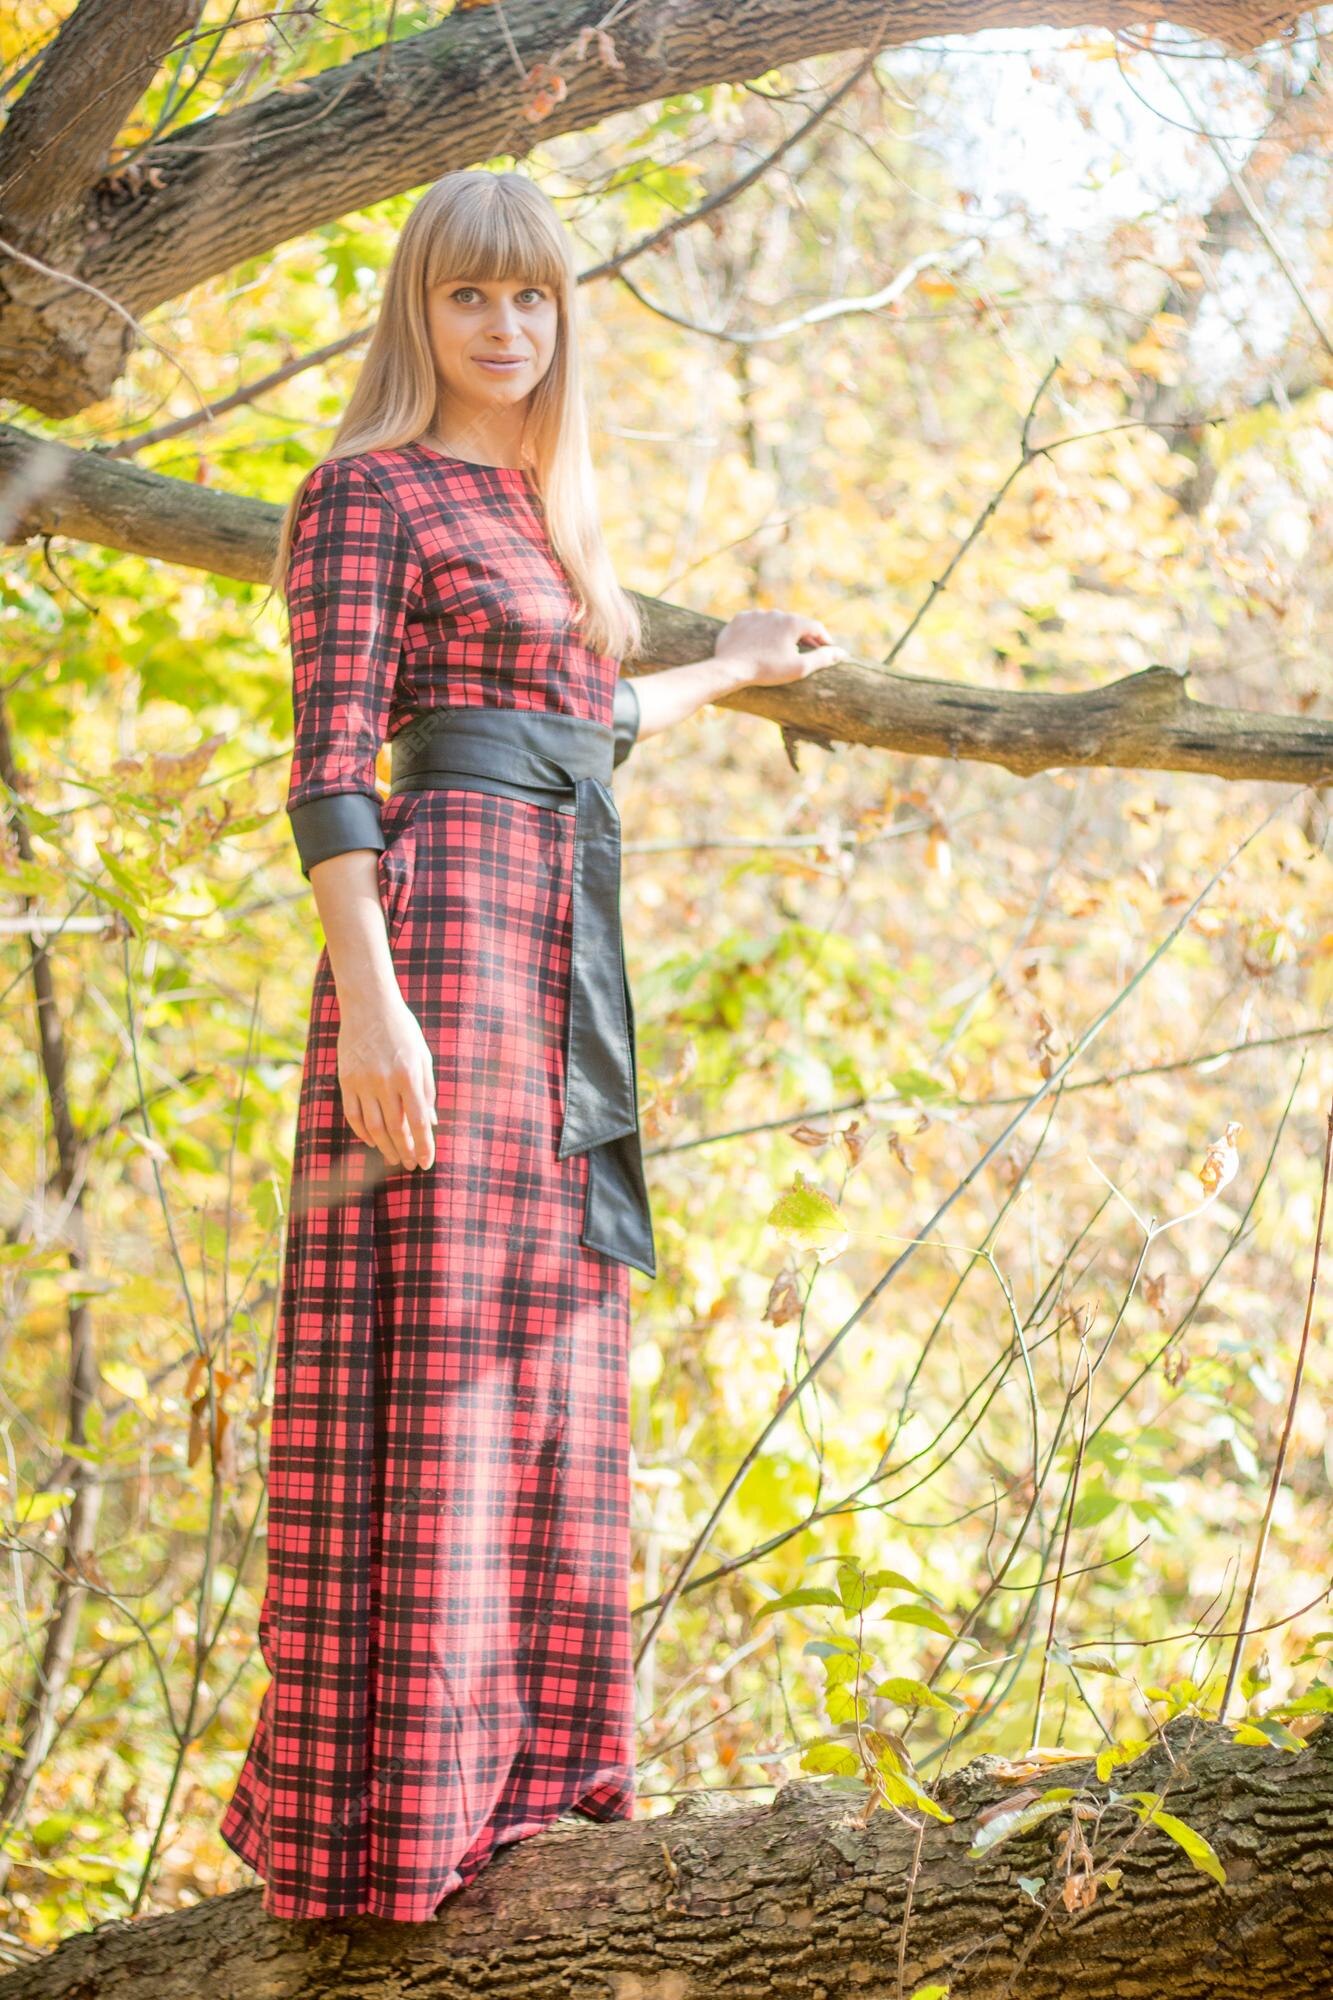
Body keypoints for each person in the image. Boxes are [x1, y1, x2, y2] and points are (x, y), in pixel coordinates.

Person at [218, 166, 848, 1923]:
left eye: (534, 301)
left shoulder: (533, 503)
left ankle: (532, 1794)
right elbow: (332, 758)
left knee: (548, 1349)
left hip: (558, 949)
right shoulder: (365, 490)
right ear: (416, 314)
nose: (506, 329)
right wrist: (371, 1001)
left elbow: (578, 722)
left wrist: (724, 665)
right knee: (432, 1350)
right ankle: (388, 1820)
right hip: (440, 956)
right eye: (468, 299)